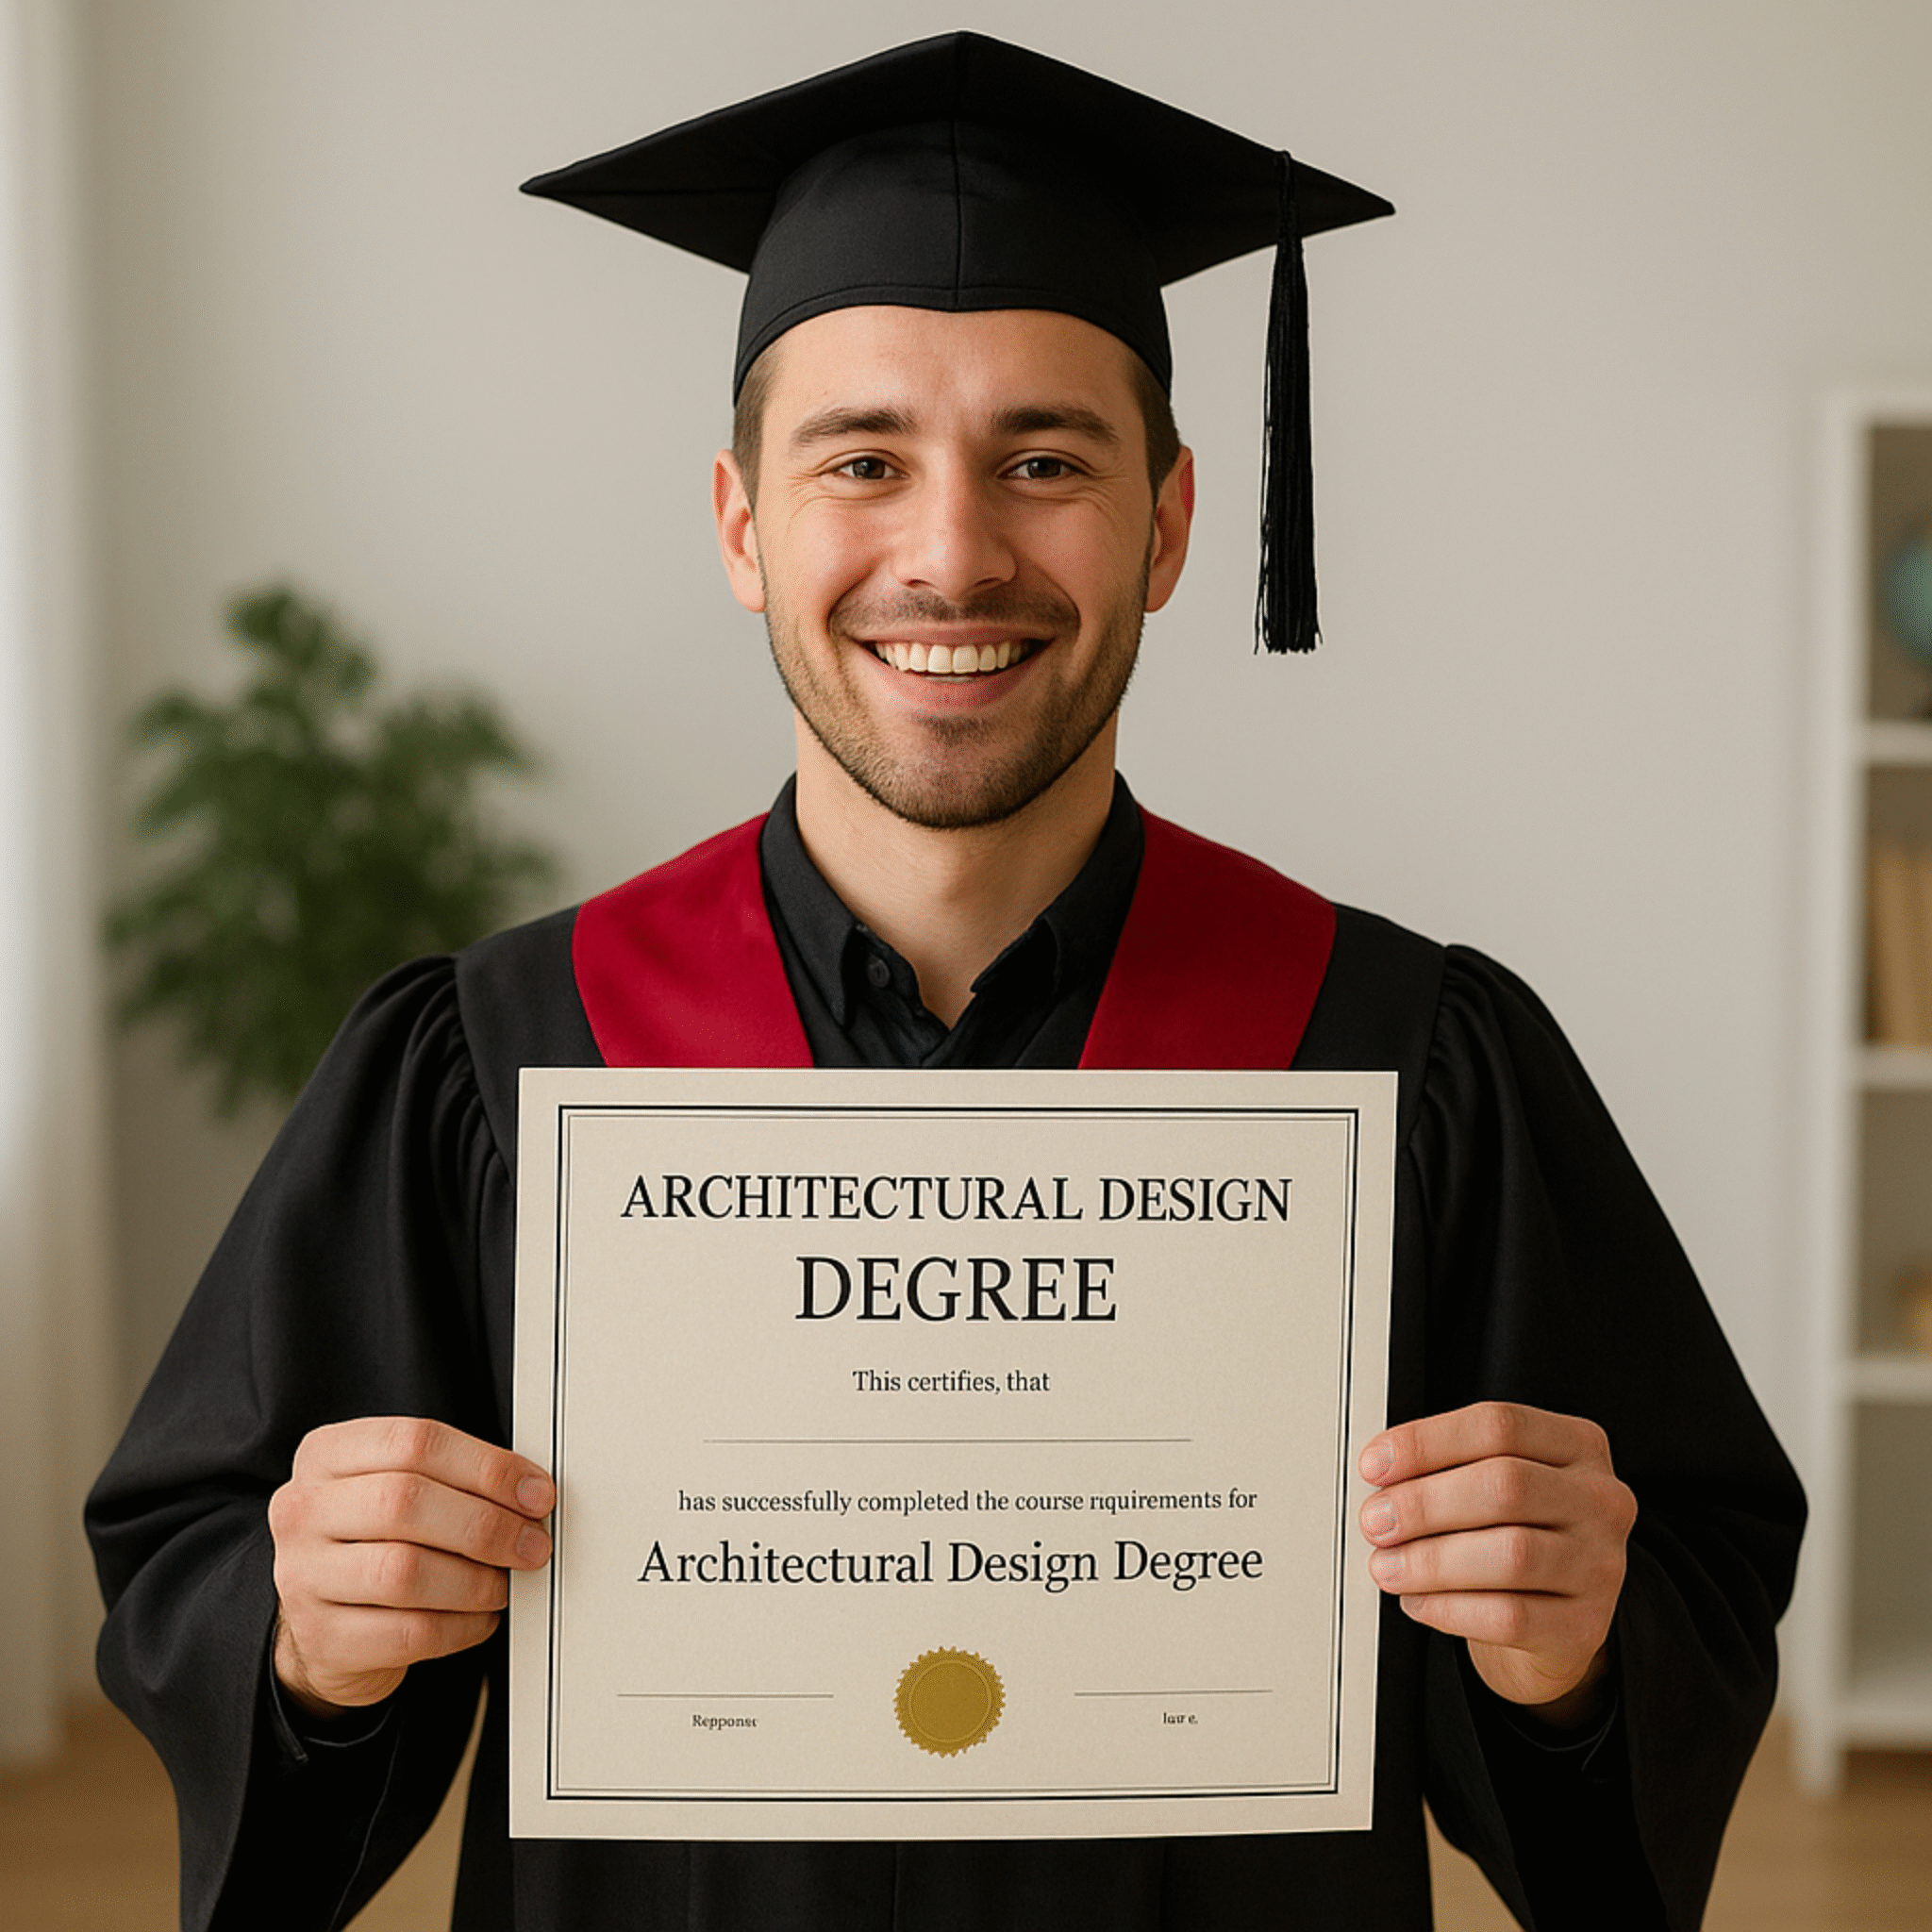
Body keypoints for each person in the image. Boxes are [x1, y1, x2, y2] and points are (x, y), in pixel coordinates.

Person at [88, 31, 1804, 1932]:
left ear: (1164, 524)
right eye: (863, 458)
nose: (952, 550)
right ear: (744, 527)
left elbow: (1666, 1657)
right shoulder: (501, 1069)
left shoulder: (1401, 1060)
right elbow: (209, 1615)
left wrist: (1569, 1643)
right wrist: (310, 1635)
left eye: (1044, 459)